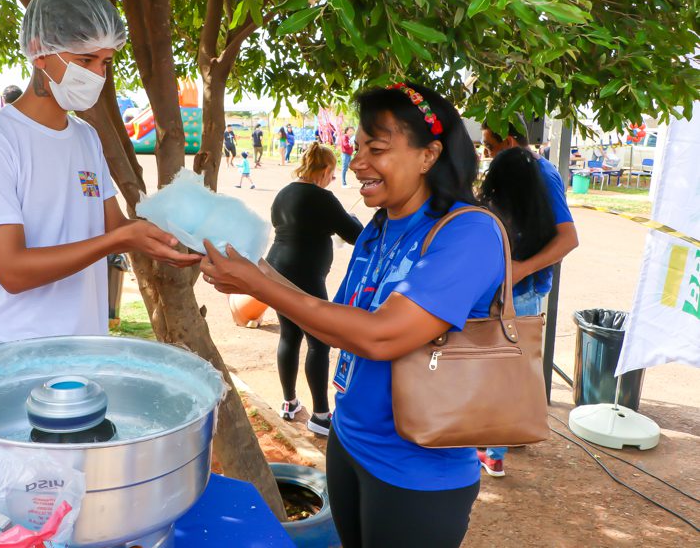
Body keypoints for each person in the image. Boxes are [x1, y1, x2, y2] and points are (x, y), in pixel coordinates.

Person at [200, 82, 505, 547]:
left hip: (416, 473)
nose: (358, 161)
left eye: (376, 148)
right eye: (357, 147)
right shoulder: (379, 229)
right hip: (349, 442)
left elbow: (382, 337)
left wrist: (259, 285)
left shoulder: (468, 233)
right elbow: (338, 322)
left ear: (429, 155)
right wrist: (253, 268)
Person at [0, 0, 200, 352]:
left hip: (83, 346)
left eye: (105, 62)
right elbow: (12, 270)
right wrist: (119, 239)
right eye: (85, 60)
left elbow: (113, 226)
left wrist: (172, 237)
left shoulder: (85, 136)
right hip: (11, 350)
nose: (98, 75)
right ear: (38, 51)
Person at [479, 119, 578, 477]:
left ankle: (494, 451)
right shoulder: (523, 170)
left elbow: (568, 239)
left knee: (506, 369)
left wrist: (521, 269)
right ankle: (503, 434)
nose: (488, 156)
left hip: (522, 292)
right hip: (513, 289)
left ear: (508, 141)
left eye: (490, 147)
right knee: (509, 366)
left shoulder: (543, 174)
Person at [266, 142, 362, 434]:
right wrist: (355, 219)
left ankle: (289, 403)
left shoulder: (284, 193)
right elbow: (355, 233)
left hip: (276, 269)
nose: (332, 179)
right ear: (323, 170)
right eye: (331, 173)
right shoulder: (322, 197)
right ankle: (321, 416)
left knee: (290, 334)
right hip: (303, 273)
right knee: (319, 340)